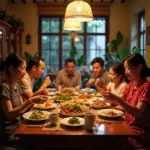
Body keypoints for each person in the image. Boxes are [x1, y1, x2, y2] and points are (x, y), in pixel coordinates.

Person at [102, 53, 150, 149]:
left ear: (139, 67)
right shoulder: (131, 85)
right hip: (125, 125)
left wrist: (116, 99)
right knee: (103, 133)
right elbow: (117, 102)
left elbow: (138, 112)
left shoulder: (147, 86)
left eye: (128, 68)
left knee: (107, 140)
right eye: (125, 68)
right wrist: (105, 92)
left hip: (137, 132)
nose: (126, 72)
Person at [0, 53, 47, 150]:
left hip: (21, 125)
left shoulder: (17, 85)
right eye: (22, 68)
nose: (25, 72)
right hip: (11, 132)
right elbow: (9, 114)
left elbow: (22, 107)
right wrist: (30, 101)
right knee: (42, 139)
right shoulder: (4, 87)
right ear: (12, 69)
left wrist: (35, 98)